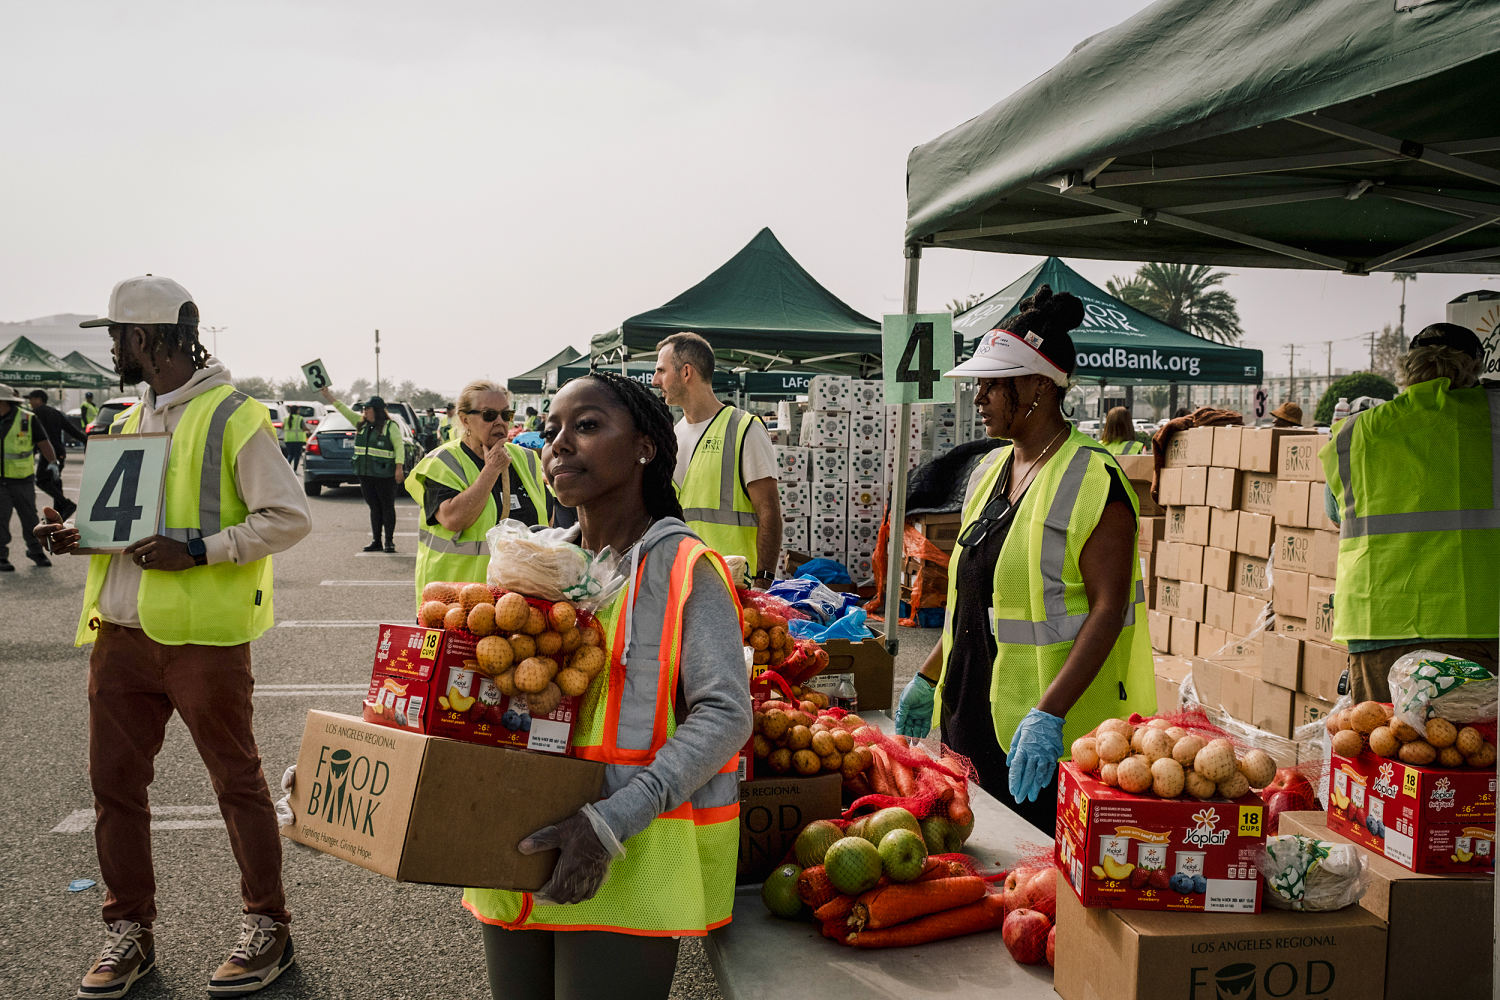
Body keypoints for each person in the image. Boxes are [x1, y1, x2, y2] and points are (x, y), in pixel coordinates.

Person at [35, 275, 310, 998]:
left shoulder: (235, 415)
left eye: (117, 335)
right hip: (119, 634)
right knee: (113, 789)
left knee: (237, 783)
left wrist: (199, 548)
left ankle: (268, 926)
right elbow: (117, 528)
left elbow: (288, 517)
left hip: (203, 638)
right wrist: (77, 537)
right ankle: (128, 933)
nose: (113, 347)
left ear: (150, 336)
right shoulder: (127, 420)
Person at [463, 371, 750, 1000]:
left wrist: (610, 822)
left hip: (629, 858)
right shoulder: (536, 569)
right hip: (519, 848)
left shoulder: (684, 568)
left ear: (645, 446)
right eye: (550, 431)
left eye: (587, 426)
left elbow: (725, 714)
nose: (559, 444)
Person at [892, 286, 1155, 835]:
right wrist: (926, 676)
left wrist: (1050, 714)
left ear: (1038, 385)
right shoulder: (990, 471)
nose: (980, 396)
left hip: (1043, 737)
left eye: (993, 384)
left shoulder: (1092, 479)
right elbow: (975, 598)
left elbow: (1107, 609)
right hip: (970, 718)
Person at [1319, 322, 1498, 702]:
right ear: (1476, 367)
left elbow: (1335, 511)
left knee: (1381, 749)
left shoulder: (1356, 433)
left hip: (1379, 624)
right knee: (1474, 752)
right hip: (1483, 623)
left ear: (1407, 369)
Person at [405, 380, 561, 603]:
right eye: (489, 415)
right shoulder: (442, 462)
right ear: (465, 419)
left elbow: (547, 517)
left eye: (505, 414)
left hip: (519, 604)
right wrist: (491, 470)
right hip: (456, 604)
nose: (499, 422)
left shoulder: (526, 459)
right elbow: (453, 518)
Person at [652, 331, 782, 583]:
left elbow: (769, 511)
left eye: (661, 371)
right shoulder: (672, 437)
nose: (656, 380)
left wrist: (763, 581)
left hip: (735, 586)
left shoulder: (745, 429)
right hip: (685, 584)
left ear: (686, 372)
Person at [319, 388, 405, 553]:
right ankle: (376, 540)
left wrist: (399, 467)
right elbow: (343, 409)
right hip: (366, 474)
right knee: (374, 507)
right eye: (364, 409)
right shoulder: (361, 423)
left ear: (377, 411)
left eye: (368, 408)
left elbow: (399, 447)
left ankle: (389, 541)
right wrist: (328, 396)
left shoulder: (390, 426)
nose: (364, 411)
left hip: (384, 474)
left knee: (387, 507)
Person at [1, 383, 59, 571]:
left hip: (22, 479)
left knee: (29, 518)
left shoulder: (27, 419)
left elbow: (43, 442)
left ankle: (36, 551)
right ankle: (1, 557)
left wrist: (52, 462)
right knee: (0, 519)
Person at [25, 388, 86, 518]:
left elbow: (37, 437)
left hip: (48, 453)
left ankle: (66, 504)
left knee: (42, 481)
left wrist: (32, 451)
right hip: (60, 452)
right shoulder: (56, 413)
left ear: (38, 399)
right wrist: (87, 440)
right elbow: (72, 431)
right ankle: (57, 514)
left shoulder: (35, 414)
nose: (30, 402)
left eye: (31, 399)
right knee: (55, 482)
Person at [281, 404, 309, 471]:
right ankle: (294, 469)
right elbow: (304, 428)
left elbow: (282, 428)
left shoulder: (286, 419)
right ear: (297, 411)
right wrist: (308, 430)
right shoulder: (300, 418)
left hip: (288, 440)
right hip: (298, 439)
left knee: (290, 454)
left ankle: (287, 469)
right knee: (297, 455)